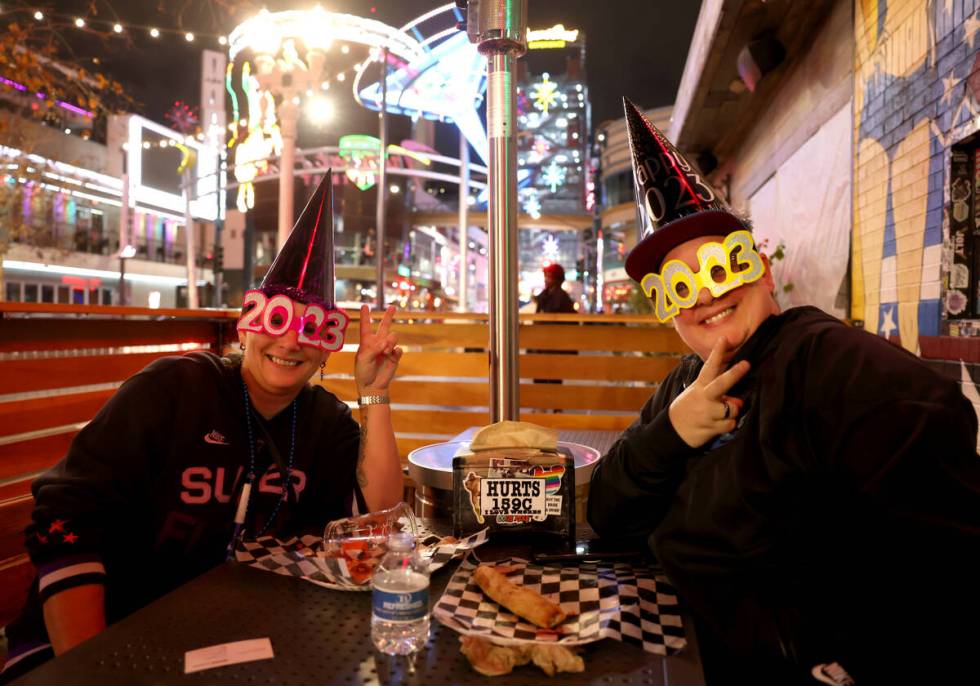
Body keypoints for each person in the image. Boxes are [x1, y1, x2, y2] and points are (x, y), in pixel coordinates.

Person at [587, 99, 980, 685]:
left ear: (763, 271)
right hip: (672, 652)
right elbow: (606, 511)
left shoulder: (840, 369)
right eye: (679, 286)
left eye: (723, 265)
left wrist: (832, 659)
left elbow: (945, 561)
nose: (705, 296)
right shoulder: (680, 384)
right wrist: (669, 433)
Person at [1, 175, 404, 682]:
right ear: (247, 325)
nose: (291, 343)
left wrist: (376, 392)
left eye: (311, 330)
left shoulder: (324, 421)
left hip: (230, 640)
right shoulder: (173, 389)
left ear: (327, 348)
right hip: (105, 634)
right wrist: (92, 666)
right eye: (278, 321)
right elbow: (70, 517)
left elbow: (379, 518)